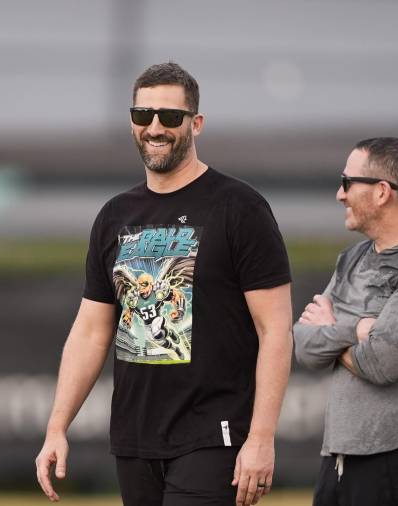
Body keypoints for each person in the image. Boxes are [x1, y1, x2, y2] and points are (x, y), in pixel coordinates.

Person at [35, 62, 293, 506]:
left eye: (170, 117)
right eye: (143, 115)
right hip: (135, 441)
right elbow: (91, 331)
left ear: (196, 124)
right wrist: (57, 426)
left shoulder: (239, 207)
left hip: (214, 435)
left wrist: (262, 437)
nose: (155, 127)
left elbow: (275, 330)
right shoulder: (115, 216)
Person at [294, 137, 398, 506]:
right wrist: (355, 330)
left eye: (347, 183)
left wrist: (332, 329)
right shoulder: (352, 259)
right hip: (336, 461)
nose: (340, 195)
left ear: (382, 192)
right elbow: (305, 347)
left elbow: (381, 362)